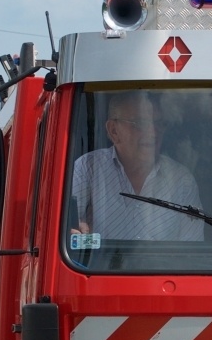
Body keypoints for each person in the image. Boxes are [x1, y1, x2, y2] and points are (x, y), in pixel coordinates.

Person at [69, 91, 204, 242]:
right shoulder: (88, 168)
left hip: (163, 266)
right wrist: (76, 234)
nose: (153, 133)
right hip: (100, 265)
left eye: (159, 124)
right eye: (140, 124)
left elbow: (191, 249)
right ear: (114, 131)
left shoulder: (181, 180)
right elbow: (69, 231)